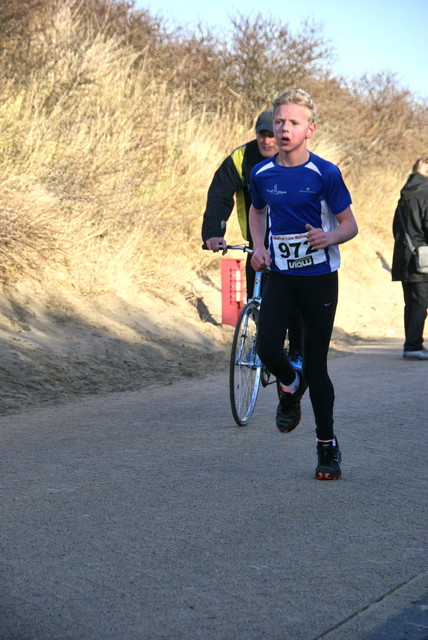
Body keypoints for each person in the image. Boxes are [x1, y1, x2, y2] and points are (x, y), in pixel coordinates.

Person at [249, 88, 358, 480]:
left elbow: (350, 225)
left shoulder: (325, 173)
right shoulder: (261, 173)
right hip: (281, 276)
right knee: (266, 347)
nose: (283, 129)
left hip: (319, 280)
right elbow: (257, 210)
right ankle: (291, 385)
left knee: (317, 365)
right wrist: (258, 246)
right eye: (279, 122)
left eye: (293, 123)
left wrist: (328, 237)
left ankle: (327, 448)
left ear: (309, 129)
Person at [202, 109, 303, 366]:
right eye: (262, 135)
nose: (267, 141)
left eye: (272, 135)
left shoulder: (294, 158)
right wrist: (214, 233)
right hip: (257, 245)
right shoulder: (241, 157)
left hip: (292, 245)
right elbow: (220, 194)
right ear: (256, 135)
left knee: (294, 306)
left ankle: (297, 353)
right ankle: (264, 347)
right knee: (258, 302)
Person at [391, 157, 428, 360]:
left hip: (404, 256)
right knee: (420, 303)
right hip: (423, 259)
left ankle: (411, 343)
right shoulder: (426, 193)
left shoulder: (404, 195)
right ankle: (413, 345)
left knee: (412, 303)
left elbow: (395, 228)